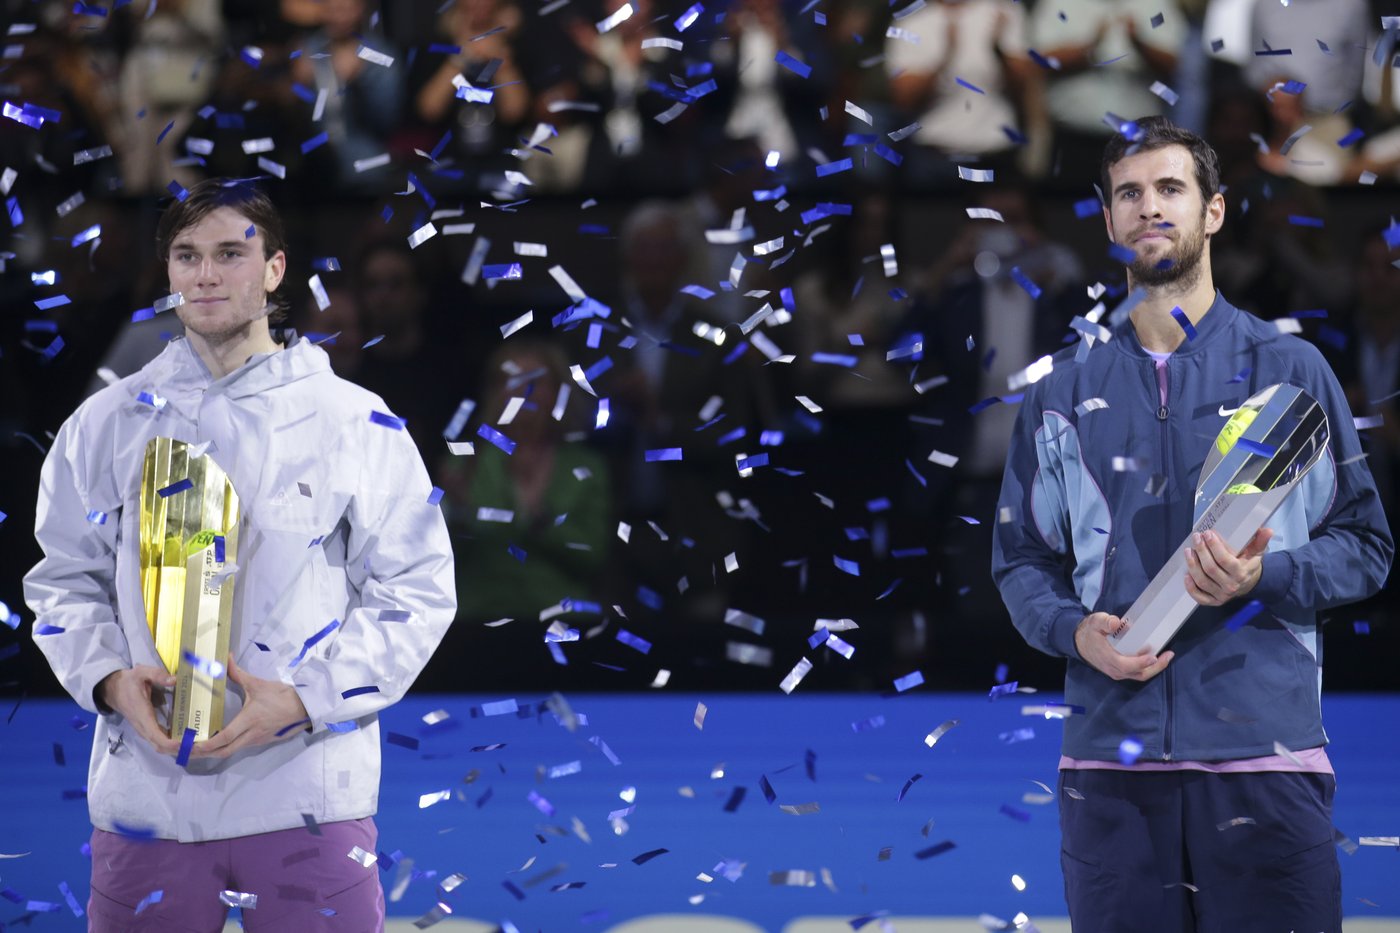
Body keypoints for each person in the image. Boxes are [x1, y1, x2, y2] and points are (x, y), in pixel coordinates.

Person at [992, 117, 1392, 930]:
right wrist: (1077, 634)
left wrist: (1264, 576)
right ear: (1108, 222)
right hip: (1112, 765)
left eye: (1171, 188)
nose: (1150, 208)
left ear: (1214, 209)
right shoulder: (1059, 393)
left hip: (1266, 761)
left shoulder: (1293, 371)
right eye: (1129, 194)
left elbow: (1367, 546)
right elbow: (1020, 563)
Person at [24, 178, 456, 930]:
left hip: (306, 797)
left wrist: (306, 699)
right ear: (167, 273)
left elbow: (416, 592)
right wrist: (106, 680)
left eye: (231, 252)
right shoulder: (104, 423)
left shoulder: (354, 421)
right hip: (149, 803)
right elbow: (62, 579)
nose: (206, 274)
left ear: (276, 270)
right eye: (187, 255)